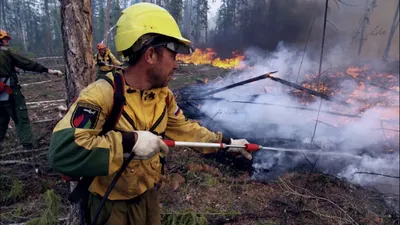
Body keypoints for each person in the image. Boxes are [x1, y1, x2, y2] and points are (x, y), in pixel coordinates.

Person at [48, 3, 252, 225]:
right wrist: (129, 142)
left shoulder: (163, 97)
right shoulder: (101, 95)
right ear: (151, 54)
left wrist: (226, 143)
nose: (177, 64)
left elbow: (185, 130)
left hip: (149, 199)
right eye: (174, 54)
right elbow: (62, 152)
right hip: (111, 208)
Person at [0, 29, 62, 150]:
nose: (8, 41)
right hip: (9, 89)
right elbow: (27, 63)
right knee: (20, 114)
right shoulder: (6, 52)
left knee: (1, 116)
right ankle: (28, 145)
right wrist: (48, 70)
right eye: (5, 39)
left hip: (2, 91)